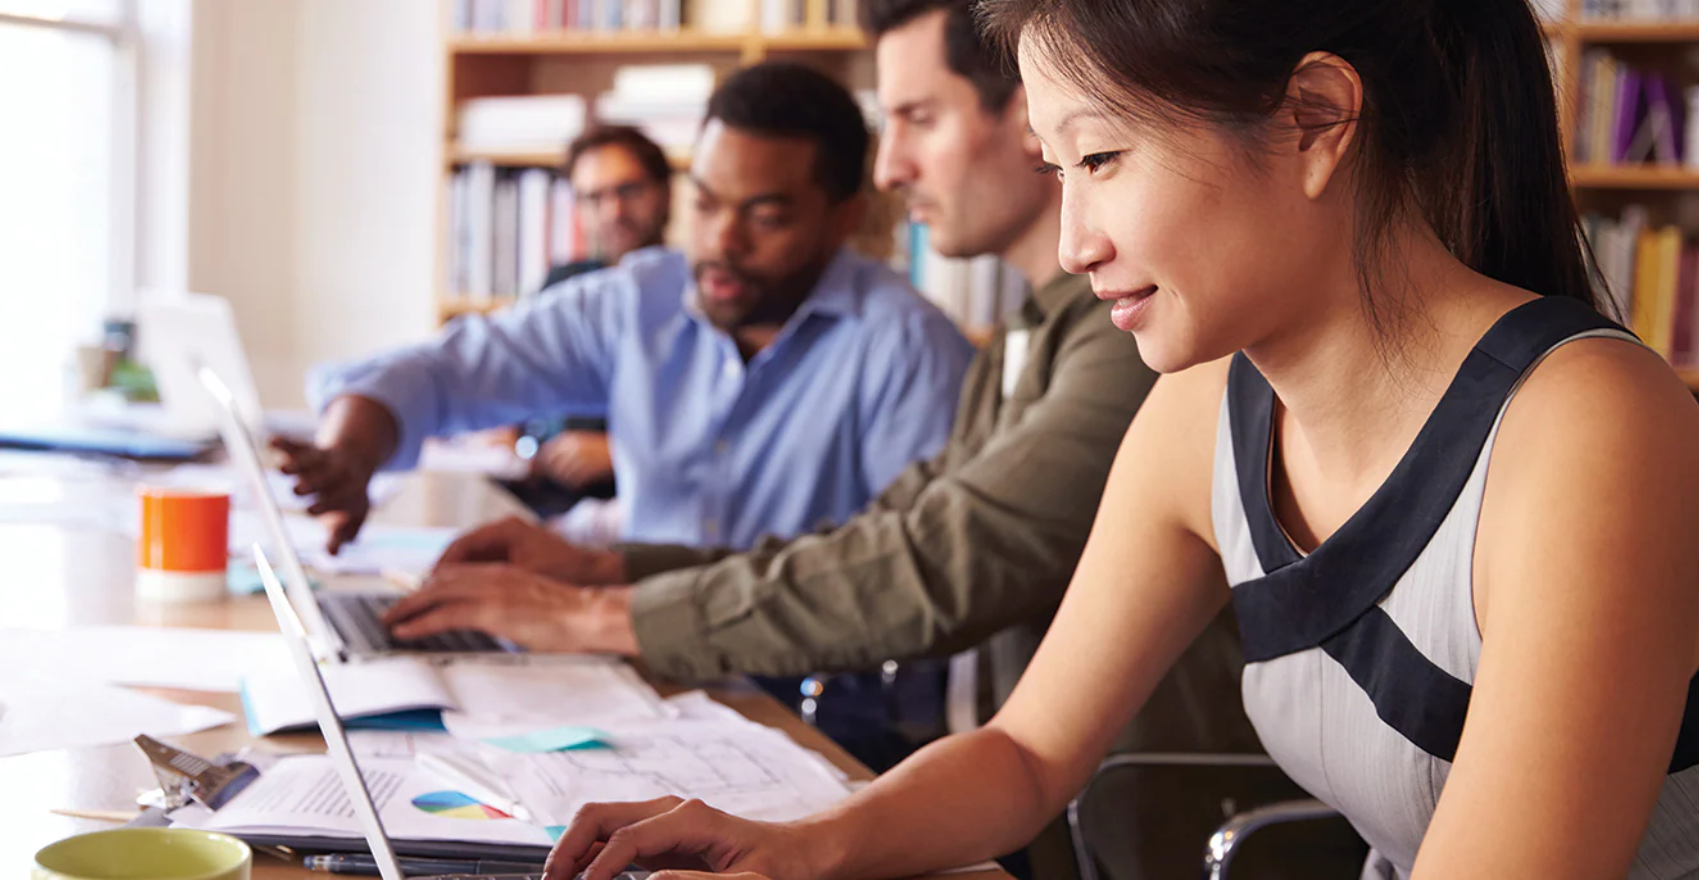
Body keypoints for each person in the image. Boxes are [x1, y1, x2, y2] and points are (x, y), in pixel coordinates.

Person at [534, 0, 1699, 878]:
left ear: (1314, 120)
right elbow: (1029, 756)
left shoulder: (1584, 427)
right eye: (1054, 171)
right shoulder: (1209, 407)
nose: (1075, 235)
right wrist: (790, 844)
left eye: (1098, 159)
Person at [385, 1, 1266, 868]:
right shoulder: (1039, 332)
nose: (889, 169)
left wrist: (598, 614)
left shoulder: (1143, 354)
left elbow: (935, 564)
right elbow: (890, 539)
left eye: (918, 118)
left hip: (1121, 835)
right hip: (1024, 808)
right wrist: (611, 571)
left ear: (1023, 118)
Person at [280, 62, 974, 571]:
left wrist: (595, 577)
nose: (720, 243)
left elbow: (905, 579)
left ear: (841, 218)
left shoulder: (907, 349)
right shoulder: (641, 298)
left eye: (764, 217)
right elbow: (446, 370)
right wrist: (351, 451)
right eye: (703, 203)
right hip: (637, 668)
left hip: (809, 707)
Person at [517, 124, 678, 509]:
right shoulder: (565, 285)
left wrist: (620, 453)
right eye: (593, 197)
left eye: (628, 191)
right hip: (547, 501)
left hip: (641, 510)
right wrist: (513, 439)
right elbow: (523, 390)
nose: (614, 212)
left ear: (665, 194)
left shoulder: (698, 294)